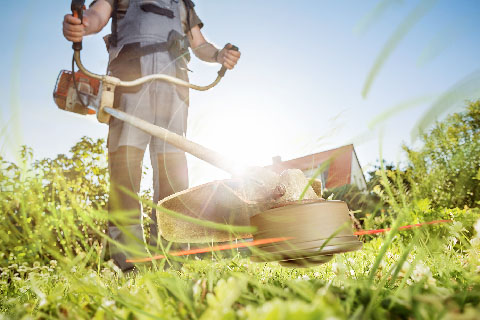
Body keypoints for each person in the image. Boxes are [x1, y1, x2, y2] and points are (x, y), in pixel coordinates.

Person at [62, 0, 241, 272]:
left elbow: (199, 43)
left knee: (174, 175)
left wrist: (219, 55)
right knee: (125, 173)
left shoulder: (182, 3)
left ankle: (173, 263)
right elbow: (96, 16)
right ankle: (128, 266)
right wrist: (82, 26)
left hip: (175, 86)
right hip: (130, 80)